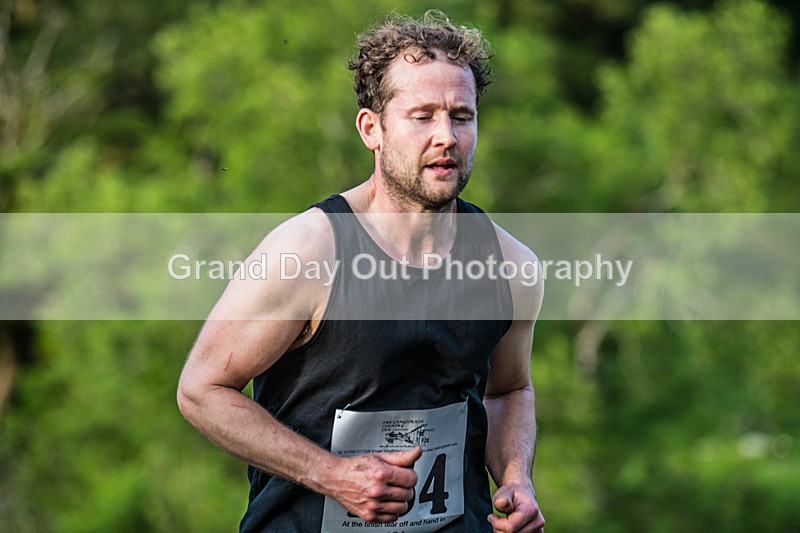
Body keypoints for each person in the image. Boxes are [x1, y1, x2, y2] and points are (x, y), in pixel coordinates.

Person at [177, 10, 545, 533]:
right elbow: (202, 389)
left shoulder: (512, 267)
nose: (446, 136)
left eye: (461, 116)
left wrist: (516, 478)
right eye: (422, 116)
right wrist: (332, 474)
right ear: (372, 128)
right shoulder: (307, 250)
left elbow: (508, 391)